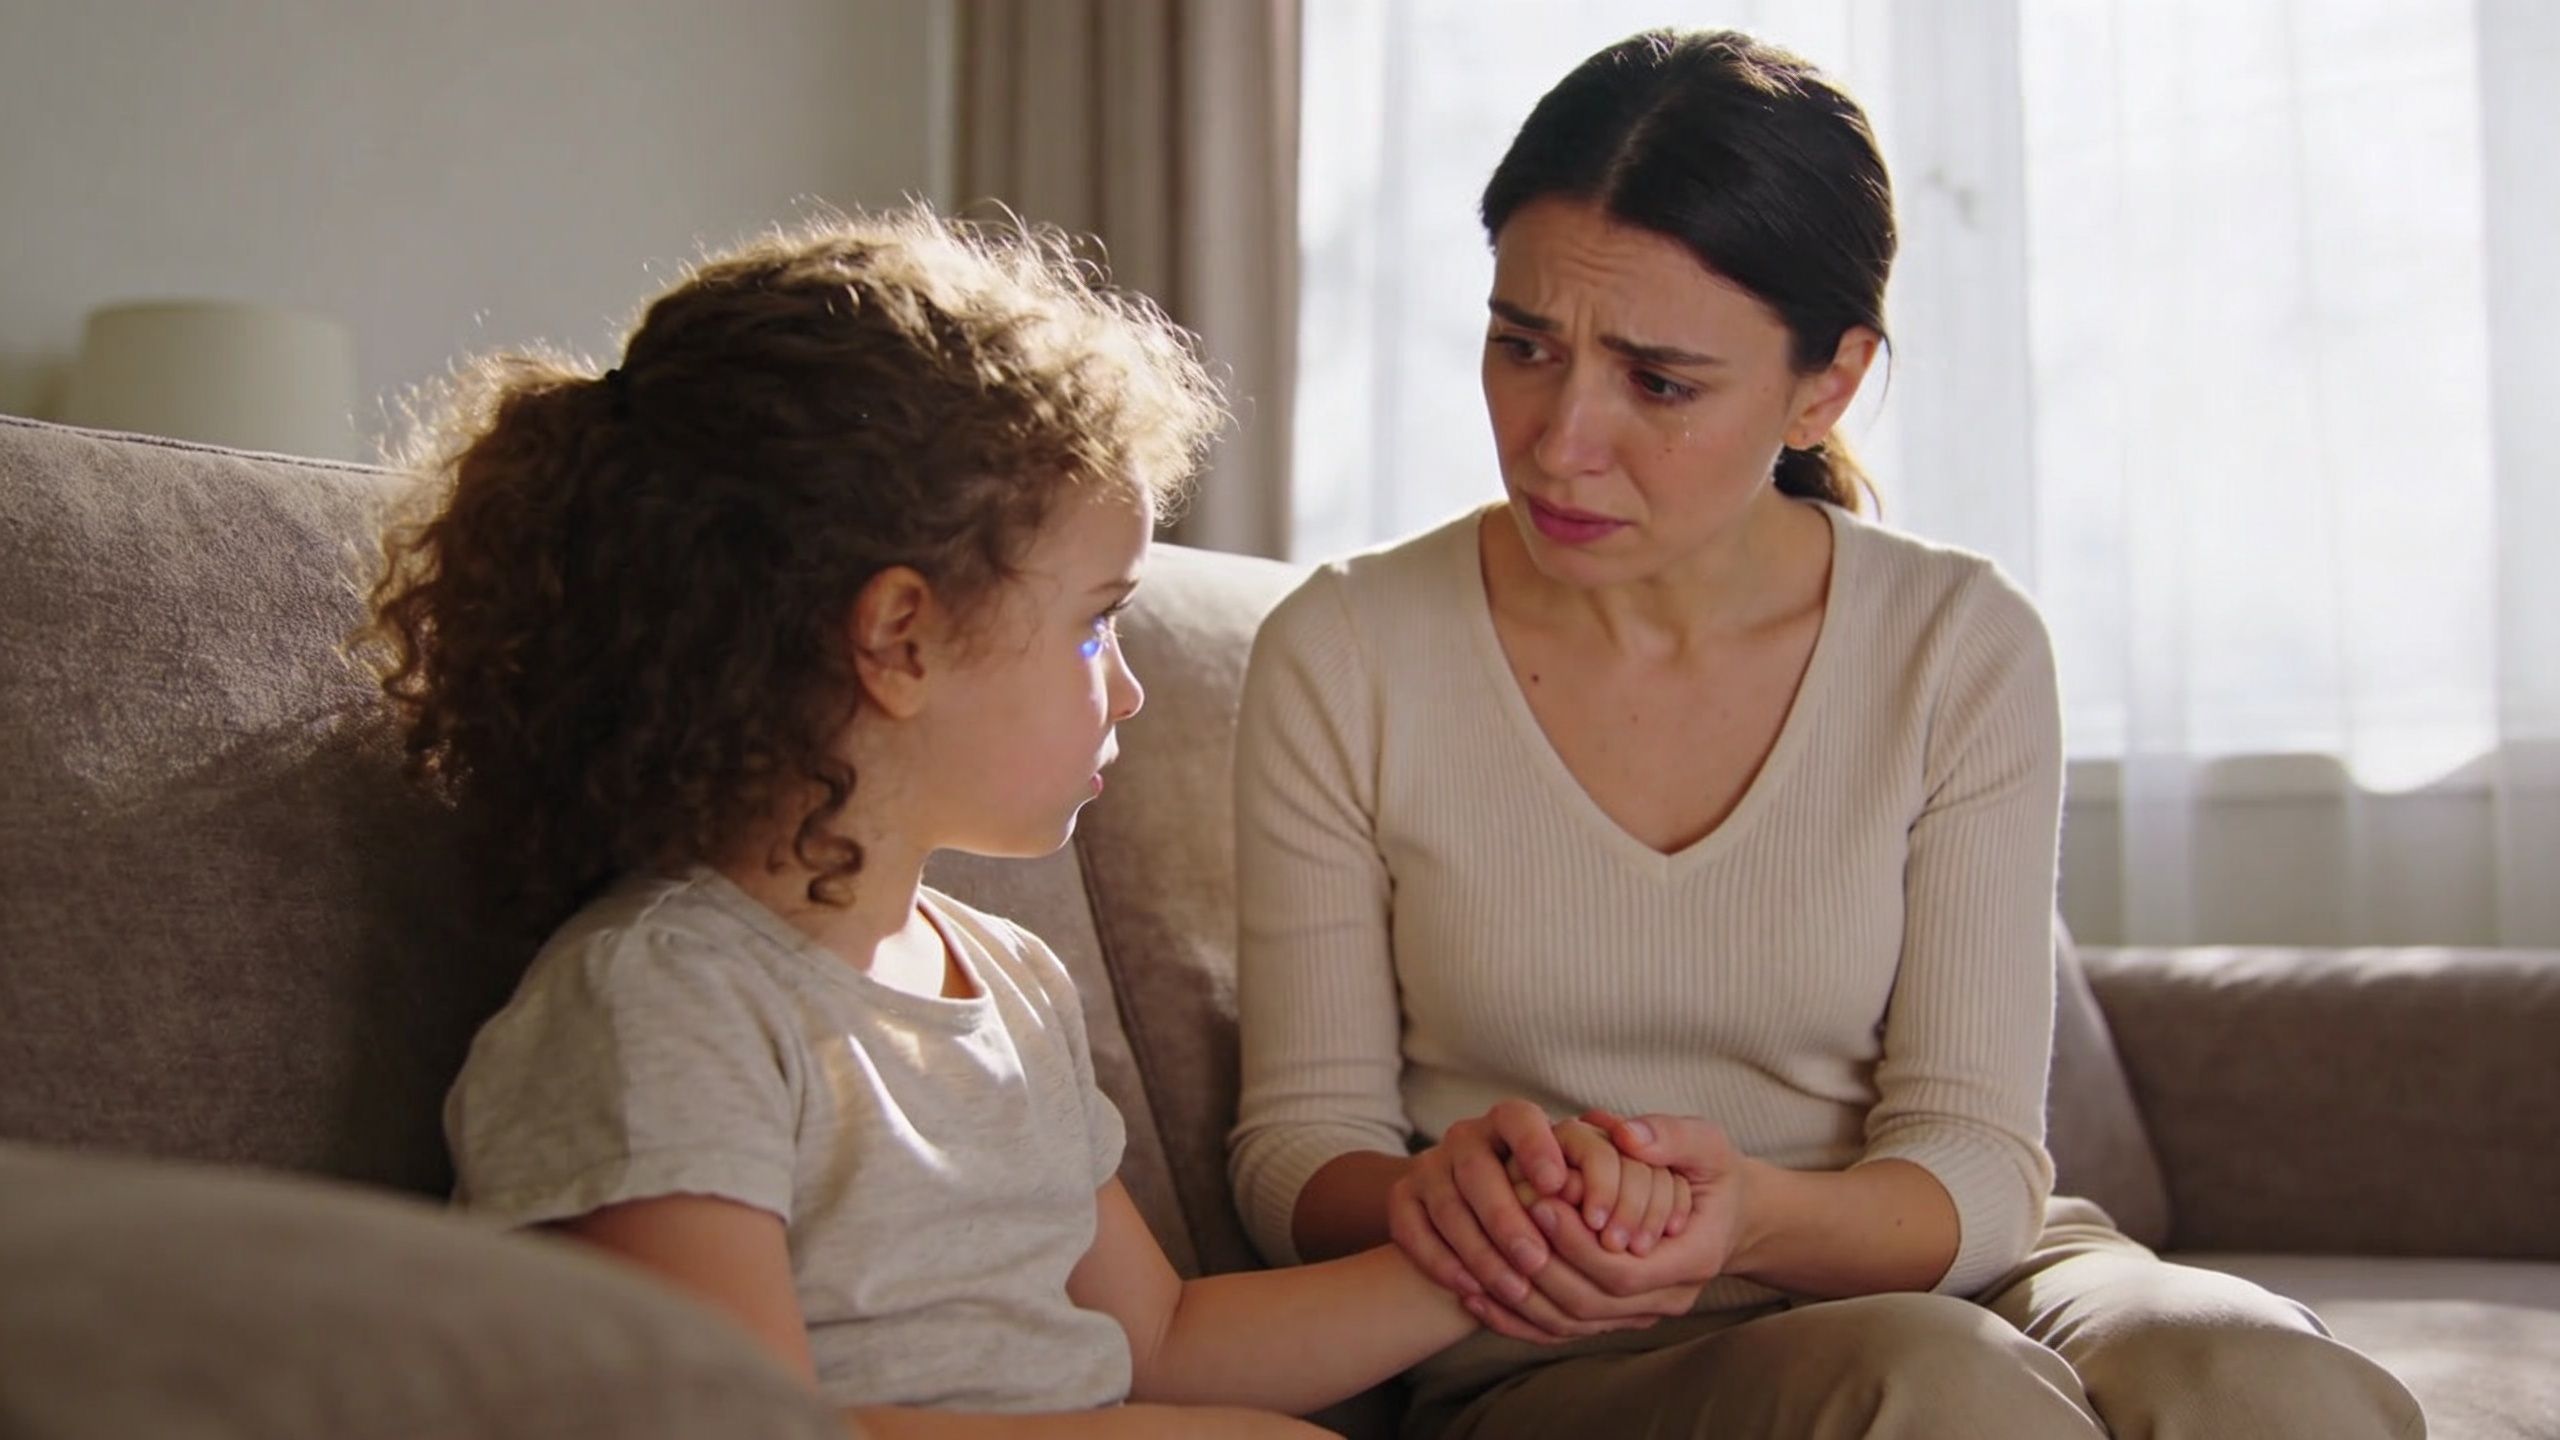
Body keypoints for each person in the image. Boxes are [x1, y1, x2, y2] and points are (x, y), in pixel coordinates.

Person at [1228, 28, 2425, 1440]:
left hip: (1960, 1272)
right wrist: (1437, 1197)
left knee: (2265, 1380)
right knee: (1934, 1391)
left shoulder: (1957, 645)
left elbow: (1978, 1164)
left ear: (1828, 383)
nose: (1560, 440)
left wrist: (1750, 1216)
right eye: (1523, 347)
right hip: (1570, 1345)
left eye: (1659, 384)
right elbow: (1294, 1153)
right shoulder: (1346, 651)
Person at [363, 207, 1669, 1437]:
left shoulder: (1008, 984)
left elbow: (1156, 1342)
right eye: (1095, 624)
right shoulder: (661, 1009)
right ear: (901, 639)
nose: (1130, 683)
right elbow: (728, 1424)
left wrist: (1502, 1258)